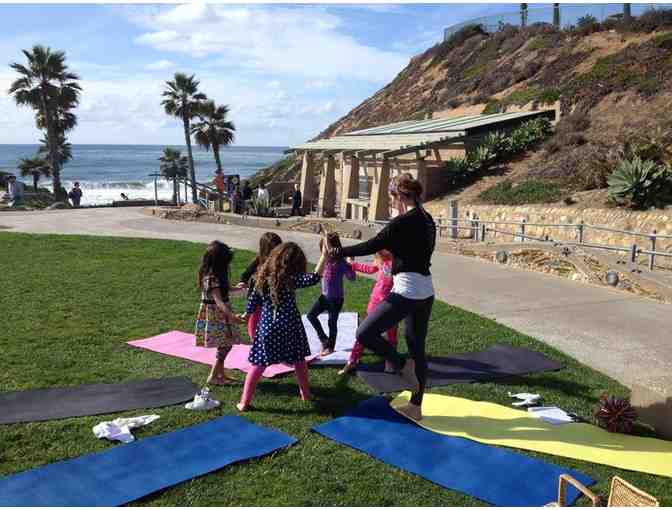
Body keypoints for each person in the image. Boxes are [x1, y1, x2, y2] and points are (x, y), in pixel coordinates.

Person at [328, 173, 436, 422]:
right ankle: (416, 406)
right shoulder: (426, 218)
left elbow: (372, 245)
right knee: (417, 349)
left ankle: (402, 365)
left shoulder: (402, 222)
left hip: (407, 290)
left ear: (399, 196)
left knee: (364, 333)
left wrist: (338, 251)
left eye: (392, 198)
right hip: (426, 291)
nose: (392, 202)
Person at [236, 241, 328, 411]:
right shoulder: (290, 279)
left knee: (259, 364)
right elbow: (314, 277)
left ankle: (244, 402)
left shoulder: (261, 278)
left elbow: (253, 301)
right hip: (291, 326)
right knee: (299, 360)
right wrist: (324, 255)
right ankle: (305, 394)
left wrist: (245, 316)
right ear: (294, 264)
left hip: (268, 328)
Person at [339, 250, 396, 375]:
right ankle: (352, 361)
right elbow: (370, 269)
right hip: (376, 303)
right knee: (364, 332)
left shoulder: (398, 261)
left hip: (392, 303)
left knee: (391, 334)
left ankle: (390, 362)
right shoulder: (382, 259)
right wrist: (352, 263)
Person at [194, 241, 244, 386]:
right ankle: (213, 376)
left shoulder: (216, 275)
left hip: (220, 313)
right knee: (226, 344)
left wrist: (237, 288)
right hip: (217, 315)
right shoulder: (211, 278)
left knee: (225, 343)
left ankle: (220, 374)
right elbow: (218, 301)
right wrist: (231, 316)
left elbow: (225, 290)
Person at [306, 232, 356, 356]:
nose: (323, 252)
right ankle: (324, 339)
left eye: (325, 248)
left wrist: (350, 264)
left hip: (336, 299)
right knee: (311, 315)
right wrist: (325, 238)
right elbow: (316, 272)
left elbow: (352, 278)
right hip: (324, 297)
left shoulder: (341, 262)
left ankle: (330, 347)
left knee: (331, 323)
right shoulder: (325, 261)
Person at [235, 232, 283, 343]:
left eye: (277, 248)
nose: (275, 251)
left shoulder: (280, 261)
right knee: (254, 320)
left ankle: (267, 341)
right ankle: (254, 340)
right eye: (272, 249)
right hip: (256, 298)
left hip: (270, 299)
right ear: (265, 249)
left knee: (269, 322)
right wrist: (243, 282)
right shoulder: (259, 260)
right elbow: (246, 274)